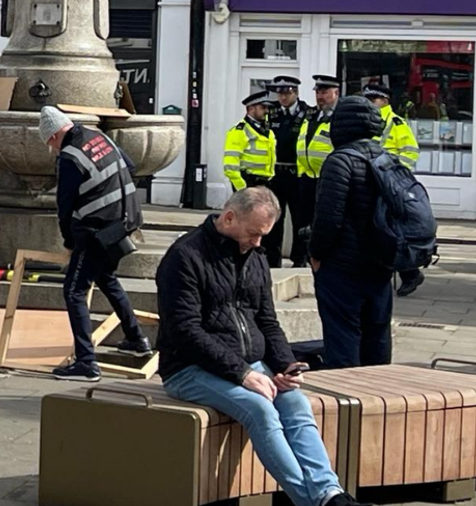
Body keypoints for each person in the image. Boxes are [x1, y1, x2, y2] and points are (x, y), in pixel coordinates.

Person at [156, 187, 369, 506]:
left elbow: (267, 321)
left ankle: (330, 494)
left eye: (263, 236)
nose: (258, 243)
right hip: (188, 369)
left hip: (249, 366)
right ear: (229, 217)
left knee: (296, 404)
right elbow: (184, 331)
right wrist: (242, 374)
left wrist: (285, 365)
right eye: (254, 233)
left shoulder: (255, 258)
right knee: (260, 409)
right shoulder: (185, 256)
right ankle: (315, 502)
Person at [40, 106, 151, 382]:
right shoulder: (97, 136)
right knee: (107, 279)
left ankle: (87, 362)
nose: (52, 148)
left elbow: (64, 207)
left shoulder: (69, 156)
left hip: (96, 231)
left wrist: (69, 241)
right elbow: (130, 166)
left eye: (49, 142)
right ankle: (137, 339)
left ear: (54, 135)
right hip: (124, 222)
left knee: (74, 290)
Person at [309, 95, 393, 369]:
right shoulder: (387, 159)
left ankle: (345, 402)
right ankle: (380, 400)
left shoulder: (340, 162)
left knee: (343, 338)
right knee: (377, 337)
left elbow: (328, 218)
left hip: (343, 268)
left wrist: (316, 254)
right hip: (380, 266)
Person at [362, 83, 425, 297]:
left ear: (385, 101)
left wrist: (396, 175)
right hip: (370, 181)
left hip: (388, 186)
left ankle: (410, 272)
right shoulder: (366, 120)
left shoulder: (395, 123)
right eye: (367, 100)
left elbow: (411, 151)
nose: (369, 103)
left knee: (388, 231)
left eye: (374, 100)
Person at [223, 90, 279, 263]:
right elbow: (230, 166)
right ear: (250, 109)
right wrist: (243, 190)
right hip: (248, 183)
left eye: (267, 107)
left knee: (266, 224)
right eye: (263, 107)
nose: (266, 111)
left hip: (265, 183)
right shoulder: (239, 131)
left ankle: (266, 260)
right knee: (245, 225)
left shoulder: (267, 131)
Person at [266, 76, 311, 268]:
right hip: (276, 173)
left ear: (296, 93)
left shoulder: (308, 112)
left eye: (287, 93)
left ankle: (299, 258)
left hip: (297, 173)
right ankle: (271, 258)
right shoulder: (272, 111)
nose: (283, 98)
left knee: (300, 218)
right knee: (275, 218)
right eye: (280, 93)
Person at [296, 75, 340, 254]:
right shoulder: (311, 115)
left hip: (329, 178)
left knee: (325, 220)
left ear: (336, 93)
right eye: (318, 92)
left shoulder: (340, 116)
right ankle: (304, 257)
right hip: (308, 177)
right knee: (305, 221)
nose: (320, 96)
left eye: (325, 92)